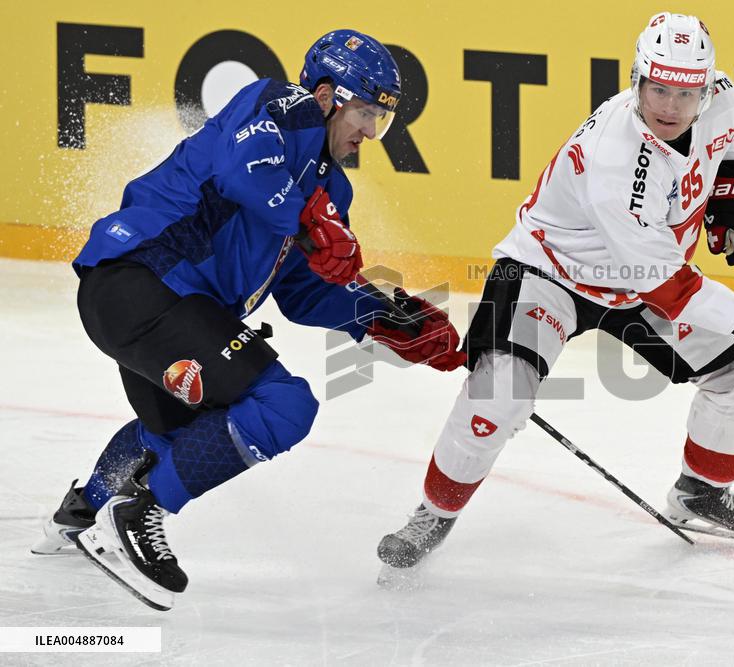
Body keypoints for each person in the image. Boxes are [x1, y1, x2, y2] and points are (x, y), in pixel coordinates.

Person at [377, 11, 734, 570]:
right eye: (657, 89)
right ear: (636, 78)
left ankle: (701, 492)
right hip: (550, 273)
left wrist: (732, 186)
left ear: (705, 87)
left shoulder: (719, 95)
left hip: (639, 281)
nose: (670, 106)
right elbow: (666, 286)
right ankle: (433, 513)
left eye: (684, 94)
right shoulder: (616, 164)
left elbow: (730, 127)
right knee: (498, 395)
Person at [31, 29, 466, 611]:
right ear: (326, 95)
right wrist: (309, 220)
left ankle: (83, 513)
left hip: (164, 307)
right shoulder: (281, 106)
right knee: (284, 405)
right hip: (142, 282)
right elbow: (244, 172)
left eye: (379, 121)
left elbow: (303, 292)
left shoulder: (328, 188)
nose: (369, 132)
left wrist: (385, 318)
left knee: (179, 432)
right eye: (365, 112)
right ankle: (136, 517)